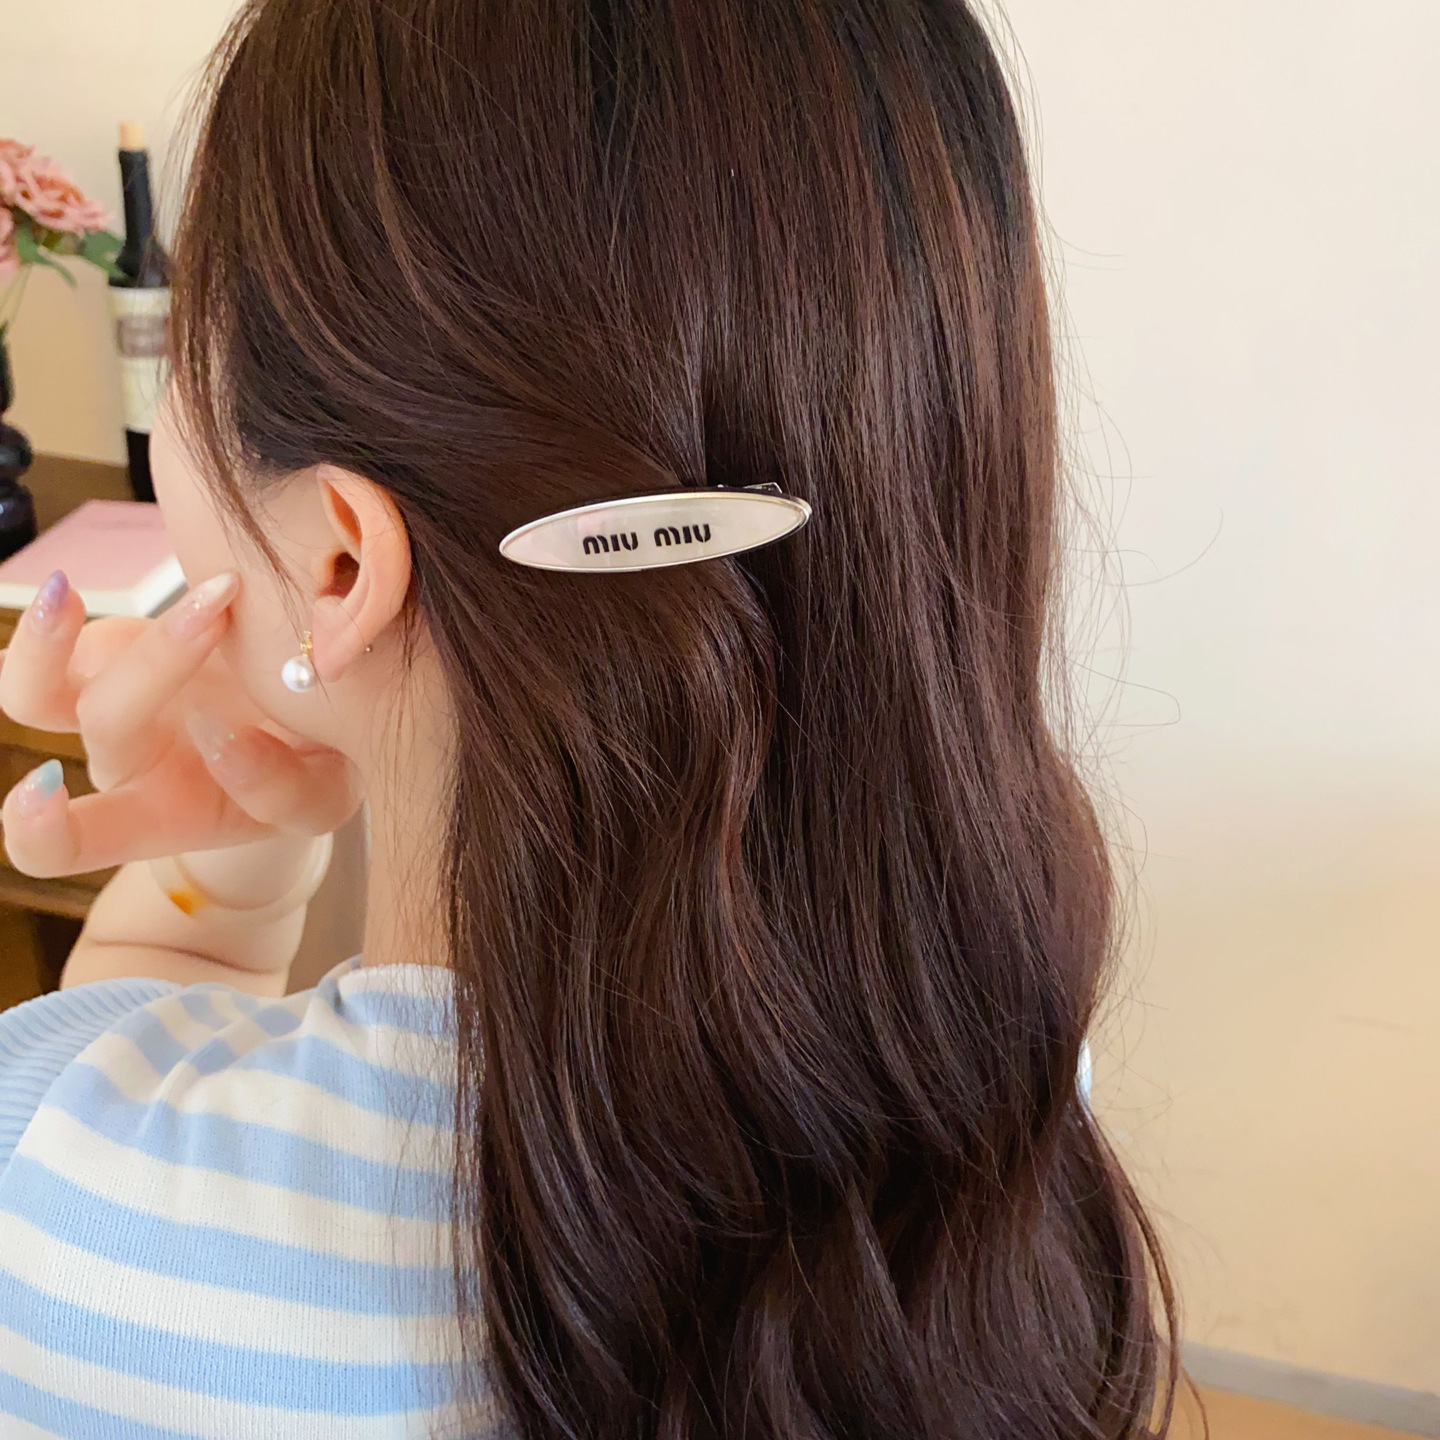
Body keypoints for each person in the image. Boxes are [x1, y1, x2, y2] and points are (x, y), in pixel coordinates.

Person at [0, 0, 1185, 1435]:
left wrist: (216, 895)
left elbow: (121, 1076)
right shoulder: (995, 1086)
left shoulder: (65, 1202)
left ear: (342, 560)